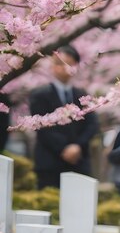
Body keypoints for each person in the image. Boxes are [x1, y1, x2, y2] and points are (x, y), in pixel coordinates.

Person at [29, 45, 99, 189]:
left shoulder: (82, 96)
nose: (62, 68)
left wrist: (77, 146)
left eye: (68, 63)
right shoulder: (39, 95)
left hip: (79, 162)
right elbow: (41, 126)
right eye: (58, 63)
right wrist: (63, 148)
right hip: (50, 161)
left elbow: (92, 124)